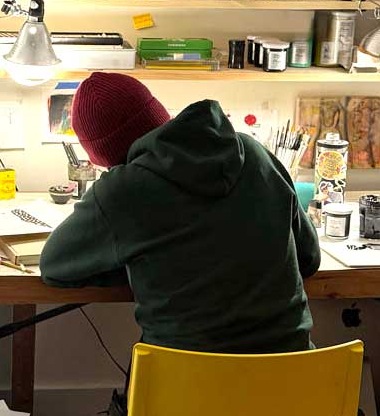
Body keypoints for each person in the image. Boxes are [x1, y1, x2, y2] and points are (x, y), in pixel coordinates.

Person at [40, 73, 321, 355]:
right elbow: (308, 258)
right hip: (294, 386)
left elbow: (53, 266)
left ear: (103, 155)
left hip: (183, 392)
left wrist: (134, 263)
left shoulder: (121, 191)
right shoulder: (254, 152)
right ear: (159, 114)